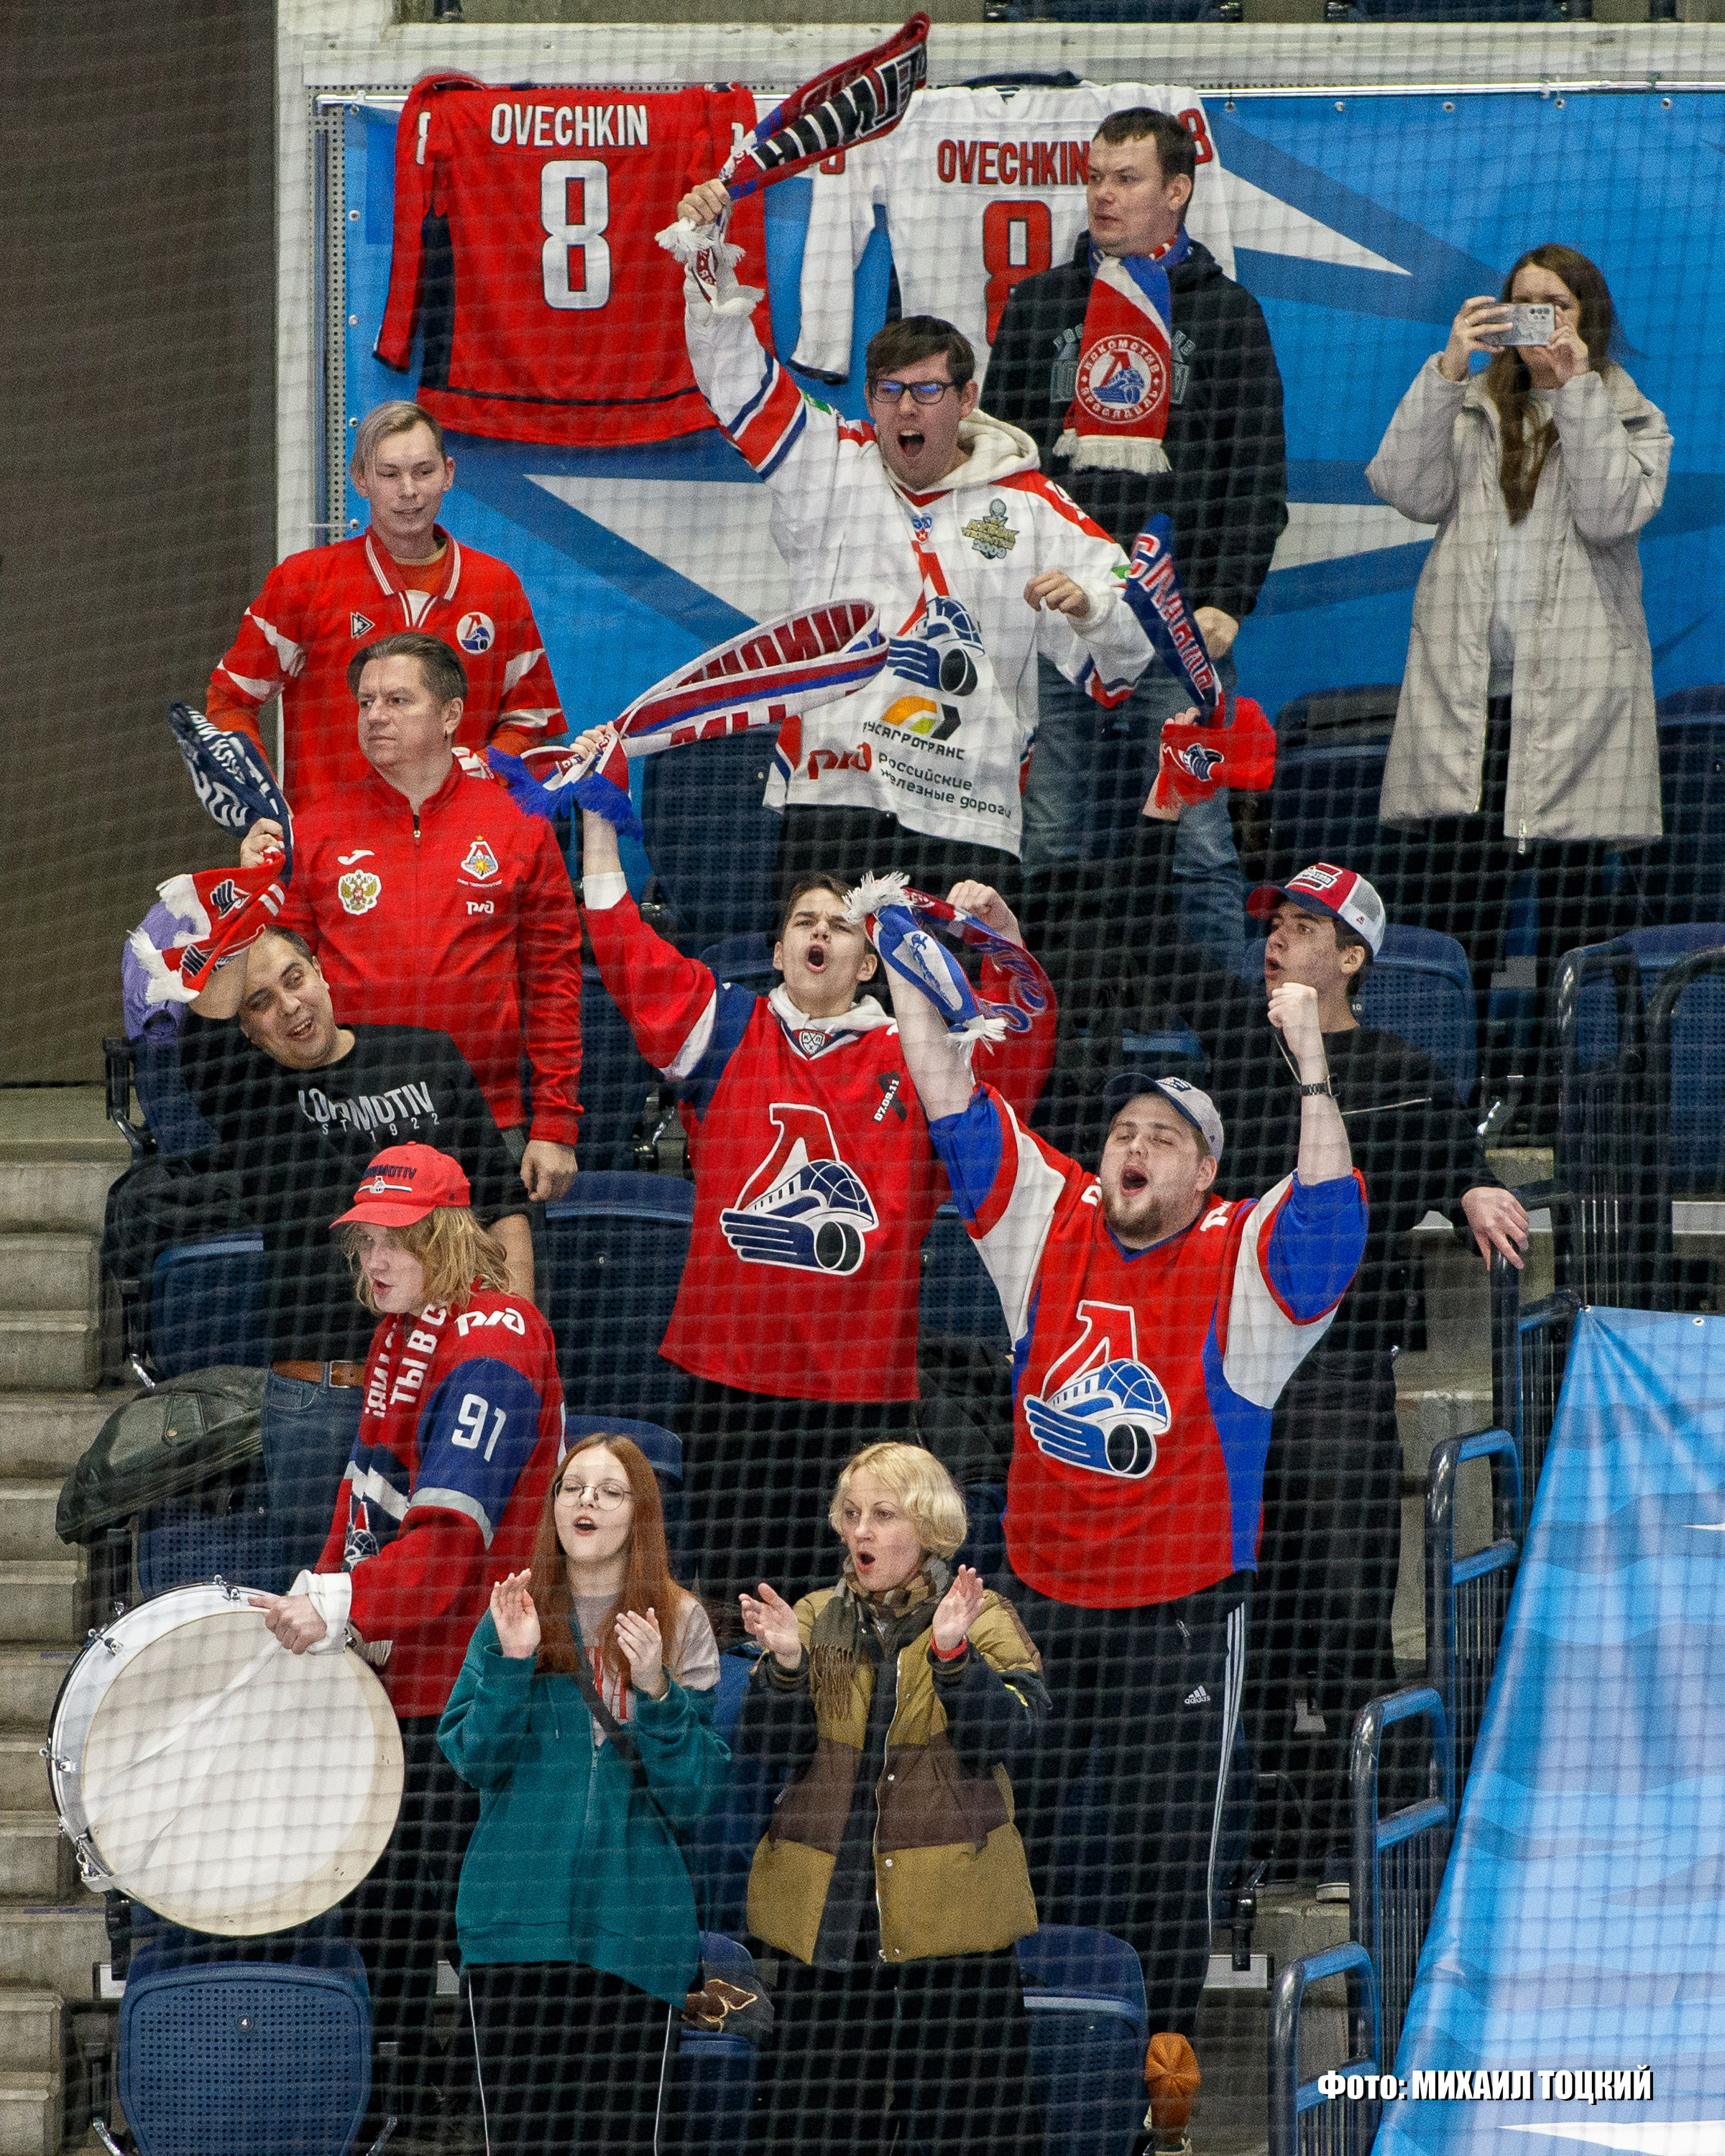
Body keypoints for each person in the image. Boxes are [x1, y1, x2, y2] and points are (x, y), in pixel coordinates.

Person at [883, 923, 1366, 2049]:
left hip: (1183, 1617)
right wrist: (910, 979)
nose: (1131, 1146)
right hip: (1040, 1605)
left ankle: (1165, 2086)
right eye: (1120, 1131)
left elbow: (1333, 1214)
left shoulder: (1244, 1259)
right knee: (1006, 1848)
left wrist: (1310, 1066)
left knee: (1167, 1872)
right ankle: (1015, 2074)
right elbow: (951, 1095)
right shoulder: (1050, 1222)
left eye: (1164, 1136)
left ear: (1206, 1171)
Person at [1110, 807, 1530, 1883]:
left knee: (1343, 1595)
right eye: (1275, 922)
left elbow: (1446, 1148)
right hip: (1224, 1362)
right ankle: (1253, 1841)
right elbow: (1150, 937)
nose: (1276, 939)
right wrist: (1163, 817)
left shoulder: (1400, 1068)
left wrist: (1475, 1182)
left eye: (1301, 926)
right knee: (1235, 1595)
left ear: (1351, 958)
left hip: (1339, 1367)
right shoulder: (1238, 1041)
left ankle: (1362, 1836)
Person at [576, 768, 1056, 1612]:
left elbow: (1014, 1066)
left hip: (861, 1393)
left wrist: (1003, 941)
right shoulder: (726, 1029)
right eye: (804, 922)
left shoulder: (919, 1055)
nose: (819, 935)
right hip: (731, 1386)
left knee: (857, 1624)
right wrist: (599, 824)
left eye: (840, 925)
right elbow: (623, 947)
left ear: (871, 960)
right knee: (737, 1615)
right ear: (777, 950)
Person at [677, 175, 1155, 901]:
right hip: (834, 798)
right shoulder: (827, 462)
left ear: (966, 400)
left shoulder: (1032, 505)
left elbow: (1126, 660)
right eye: (890, 390)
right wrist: (704, 257)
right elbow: (735, 377)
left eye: (928, 390)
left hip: (969, 818)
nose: (907, 407)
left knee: (960, 1015)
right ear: (869, 399)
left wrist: (1091, 607)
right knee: (827, 1010)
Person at [253, 1143, 563, 2136]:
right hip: (394, 1680)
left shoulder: (494, 1344)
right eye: (368, 1240)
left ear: (446, 1236)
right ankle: (382, 2109)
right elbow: (366, 1501)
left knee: (473, 1930)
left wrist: (342, 1607)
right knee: (384, 1920)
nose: (376, 1260)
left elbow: (443, 1556)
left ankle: (484, 2118)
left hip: (475, 1692)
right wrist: (323, 1586)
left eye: (399, 1239)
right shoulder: (404, 1327)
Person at [1367, 244, 1672, 1138]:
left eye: (1557, 307)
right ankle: (1442, 1109)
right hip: (1472, 706)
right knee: (1459, 911)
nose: (1539, 321)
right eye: (1524, 305)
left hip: (1577, 711)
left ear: (1588, 320)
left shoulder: (1628, 411)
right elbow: (1401, 488)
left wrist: (1575, 390)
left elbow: (1611, 513)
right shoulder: (1468, 403)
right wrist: (1444, 367)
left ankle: (1553, 1104)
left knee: (1575, 918)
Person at [984, 106, 1288, 970]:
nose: (1103, 195)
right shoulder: (1042, 303)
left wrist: (1228, 599)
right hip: (1056, 621)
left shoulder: (1228, 316)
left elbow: (1255, 473)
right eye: (1095, 177)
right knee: (1048, 837)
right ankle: (1046, 1033)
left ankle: (1221, 1044)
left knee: (1200, 846)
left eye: (1127, 178)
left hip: (1177, 622)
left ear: (1177, 191)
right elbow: (1001, 460)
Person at [182, 923, 530, 1584]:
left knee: (442, 1597)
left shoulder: (427, 1056)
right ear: (248, 1030)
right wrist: (245, 909)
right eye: (260, 1002)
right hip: (320, 1400)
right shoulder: (248, 1097)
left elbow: (504, 1205)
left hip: (440, 1385)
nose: (288, 1006)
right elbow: (196, 1041)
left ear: (323, 974)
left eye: (294, 979)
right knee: (318, 1610)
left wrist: (511, 1340)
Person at [737, 1442, 1048, 2156]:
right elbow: (765, 1746)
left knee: (967, 2125)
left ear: (930, 1527)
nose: (862, 1531)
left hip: (953, 1917)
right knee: (812, 2125)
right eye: (852, 1514)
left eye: (883, 1514)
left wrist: (954, 1660)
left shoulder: (983, 1613)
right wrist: (785, 1666)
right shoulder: (814, 1616)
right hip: (833, 1916)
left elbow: (1022, 1734)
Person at [438, 1434, 727, 2156]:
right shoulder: (512, 1609)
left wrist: (657, 1689)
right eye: (572, 1487)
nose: (586, 1502)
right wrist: (513, 1662)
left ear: (641, 1515)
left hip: (636, 1928)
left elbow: (695, 1796)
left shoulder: (681, 1621)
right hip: (514, 1924)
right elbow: (473, 1760)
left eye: (609, 1490)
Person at [244, 629, 581, 1205]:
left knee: (498, 1293)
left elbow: (554, 984)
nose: (375, 716)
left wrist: (555, 1123)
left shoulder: (519, 824)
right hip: (350, 1118)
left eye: (398, 701)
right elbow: (274, 985)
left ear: (451, 713)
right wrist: (253, 888)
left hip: (486, 1119)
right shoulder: (315, 831)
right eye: (366, 702)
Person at [207, 399, 564, 806]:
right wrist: (262, 803)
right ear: (360, 479)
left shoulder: (496, 586)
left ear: (448, 474)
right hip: (333, 855)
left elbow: (532, 722)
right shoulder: (304, 582)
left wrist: (481, 773)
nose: (408, 491)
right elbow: (229, 699)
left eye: (424, 472)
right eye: (390, 474)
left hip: (463, 853)